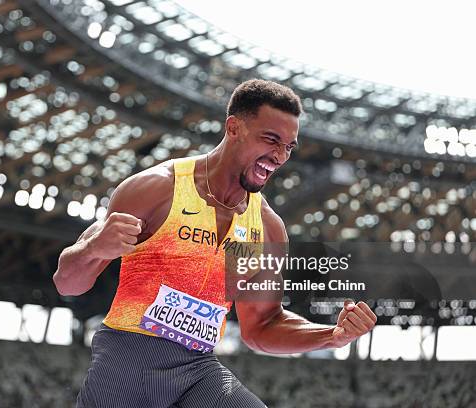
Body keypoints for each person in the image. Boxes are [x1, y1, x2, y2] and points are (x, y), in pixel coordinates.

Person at [54, 79, 377, 407]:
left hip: (198, 368)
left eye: (289, 147)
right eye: (271, 139)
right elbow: (67, 283)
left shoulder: (266, 228)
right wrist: (93, 249)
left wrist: (331, 336)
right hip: (127, 359)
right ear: (234, 128)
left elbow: (261, 327)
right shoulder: (156, 190)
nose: (280, 156)